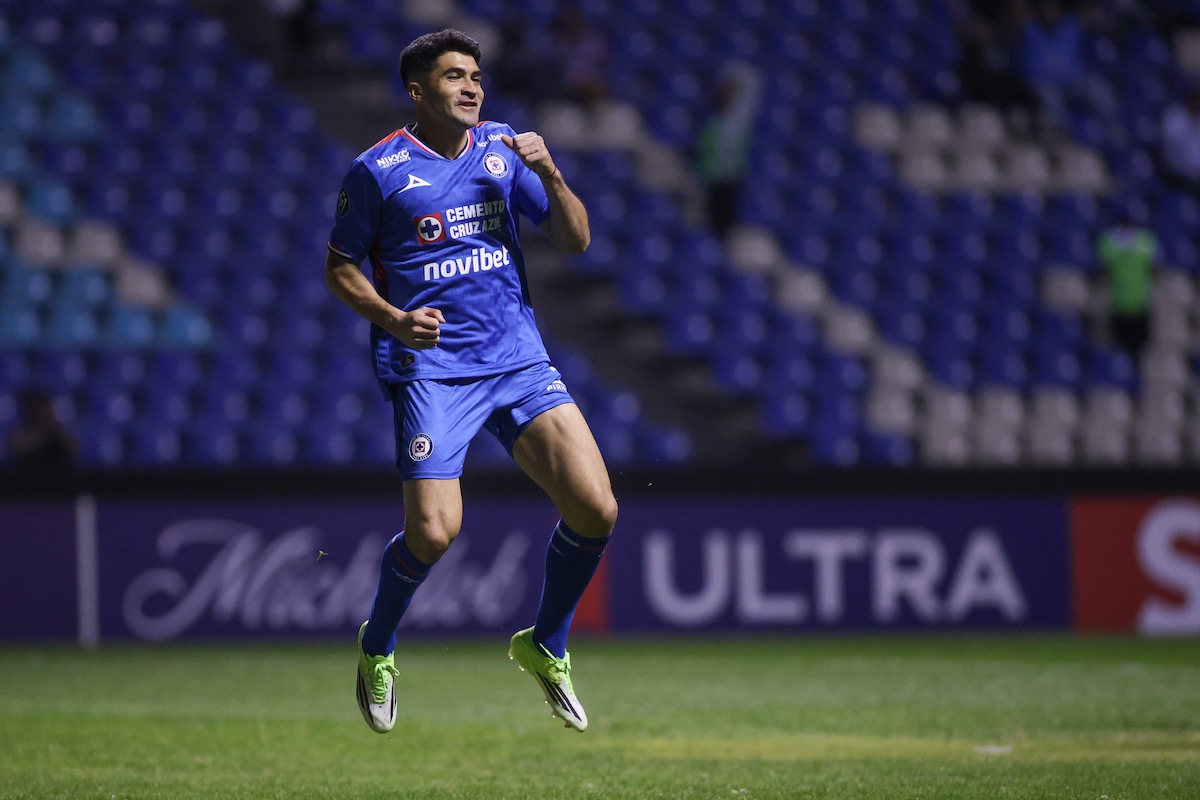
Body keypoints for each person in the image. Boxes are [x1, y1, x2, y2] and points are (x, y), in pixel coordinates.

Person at [324, 28, 617, 735]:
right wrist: (394, 318)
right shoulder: (378, 170)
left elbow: (576, 239)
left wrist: (551, 175)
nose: (471, 87)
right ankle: (377, 646)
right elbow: (339, 267)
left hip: (516, 358)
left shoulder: (503, 150)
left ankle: (546, 643)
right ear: (418, 91)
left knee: (596, 508)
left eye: (476, 76)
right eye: (454, 76)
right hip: (434, 369)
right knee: (433, 533)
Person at [693, 61, 762, 240]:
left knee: (724, 219)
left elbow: (752, 83)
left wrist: (732, 73)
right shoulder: (712, 121)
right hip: (710, 177)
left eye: (730, 93)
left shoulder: (738, 119)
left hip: (728, 177)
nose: (726, 96)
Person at [1096, 211, 1158, 358]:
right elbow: (1101, 270)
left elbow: (1155, 269)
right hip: (1117, 304)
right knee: (1117, 346)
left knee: (1139, 347)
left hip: (1140, 304)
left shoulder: (1146, 242)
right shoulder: (1107, 243)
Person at [4, 388, 76, 474]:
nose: (41, 411)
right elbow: (17, 446)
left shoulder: (58, 429)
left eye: (45, 406)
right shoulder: (21, 430)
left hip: (58, 475)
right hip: (28, 476)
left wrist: (55, 428)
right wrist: (43, 430)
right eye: (37, 407)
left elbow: (72, 448)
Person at [1160, 83, 1200, 189]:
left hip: (1194, 182)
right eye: (1195, 97)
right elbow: (1170, 150)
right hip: (1170, 175)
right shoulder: (1174, 115)